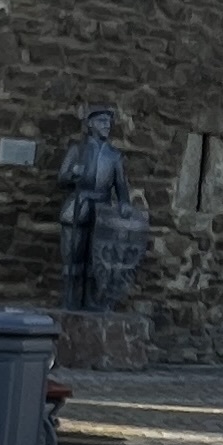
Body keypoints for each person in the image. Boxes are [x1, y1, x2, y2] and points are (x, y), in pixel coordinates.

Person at [58, 104, 133, 309]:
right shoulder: (77, 150)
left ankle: (92, 301)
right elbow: (61, 179)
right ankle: (70, 300)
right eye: (101, 121)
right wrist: (73, 173)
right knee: (72, 257)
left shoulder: (114, 155)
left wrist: (125, 203)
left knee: (97, 259)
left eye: (108, 122)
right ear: (90, 124)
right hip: (78, 205)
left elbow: (121, 186)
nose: (106, 125)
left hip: (102, 209)